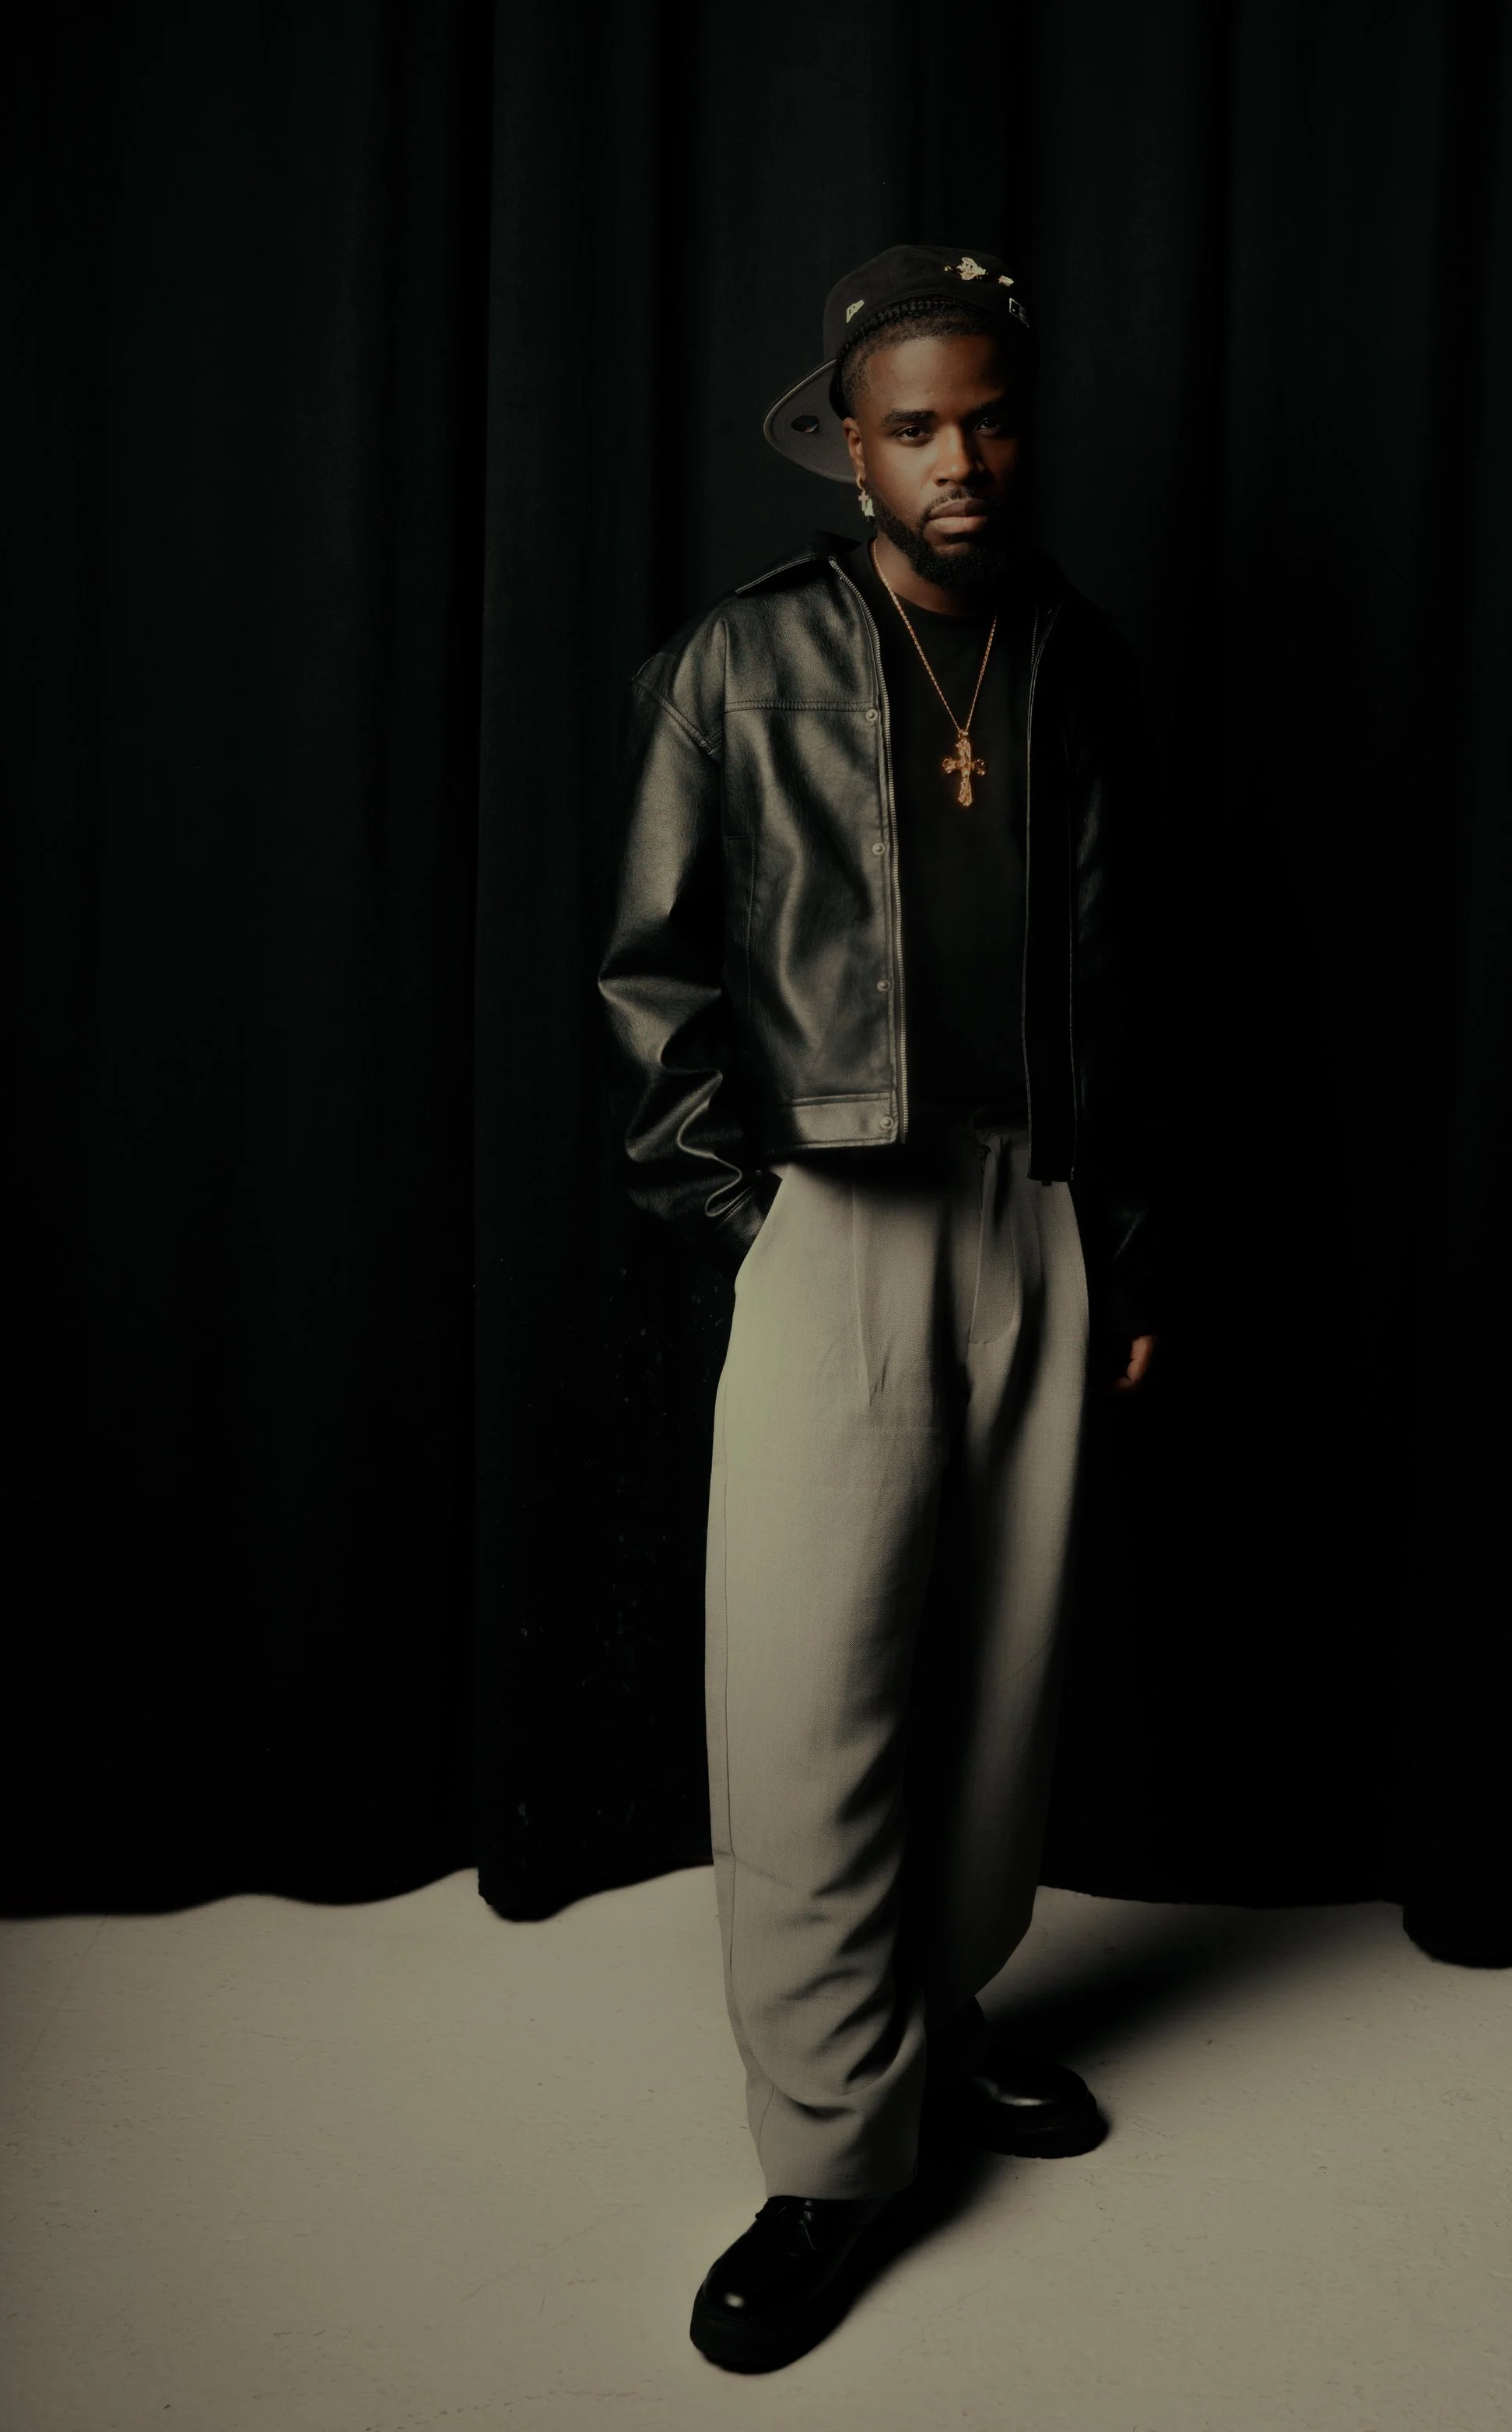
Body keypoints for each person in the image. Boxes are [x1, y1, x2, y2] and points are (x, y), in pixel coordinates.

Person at [598, 242, 1157, 2374]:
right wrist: (747, 1218)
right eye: (914, 427)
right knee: (813, 1695)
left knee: (997, 1690)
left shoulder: (1076, 657)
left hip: (1039, 1212)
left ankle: (938, 2018)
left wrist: (1126, 1238)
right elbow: (651, 971)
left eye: (988, 420)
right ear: (850, 445)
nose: (958, 461)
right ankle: (834, 2152)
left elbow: (1128, 974)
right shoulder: (737, 665)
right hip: (834, 1218)